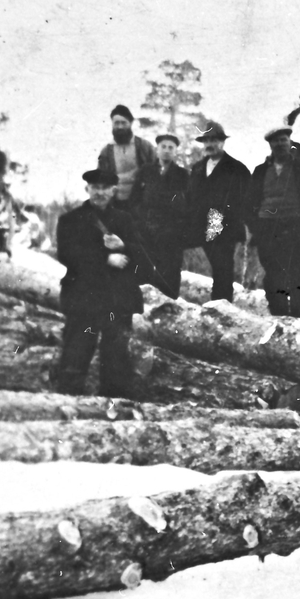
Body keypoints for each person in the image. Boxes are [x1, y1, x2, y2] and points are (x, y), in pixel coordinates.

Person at [53, 167, 155, 398]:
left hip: (117, 300)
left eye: (105, 188)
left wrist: (123, 246)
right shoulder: (70, 220)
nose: (100, 192)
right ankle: (68, 404)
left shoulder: (125, 220)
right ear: (87, 189)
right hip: (83, 297)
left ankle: (111, 408)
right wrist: (105, 259)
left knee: (116, 359)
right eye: (95, 187)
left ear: (113, 190)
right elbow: (67, 254)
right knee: (76, 355)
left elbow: (144, 256)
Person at [249, 125, 300, 317]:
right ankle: (279, 316)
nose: (280, 144)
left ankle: (299, 318)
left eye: (283, 140)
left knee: (297, 272)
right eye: (276, 141)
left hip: (295, 226)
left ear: (290, 142)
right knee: (273, 274)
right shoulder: (260, 171)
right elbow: (250, 202)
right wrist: (256, 228)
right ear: (270, 145)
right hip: (267, 228)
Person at [183, 120, 252, 301]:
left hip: (224, 228)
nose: (210, 144)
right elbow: (191, 198)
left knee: (223, 269)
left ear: (222, 142)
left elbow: (243, 201)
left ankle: (222, 307)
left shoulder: (236, 169)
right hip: (200, 227)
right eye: (206, 141)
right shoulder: (197, 168)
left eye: (214, 140)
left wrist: (222, 221)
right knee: (205, 267)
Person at [129, 133, 189, 297]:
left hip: (171, 231)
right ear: (157, 150)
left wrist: (179, 228)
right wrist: (140, 221)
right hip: (146, 228)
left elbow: (188, 204)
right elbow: (134, 200)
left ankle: (169, 304)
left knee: (170, 270)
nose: (167, 150)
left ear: (175, 151)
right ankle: (143, 304)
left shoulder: (182, 175)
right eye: (163, 147)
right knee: (143, 267)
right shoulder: (145, 171)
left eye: (171, 147)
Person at [97, 104, 156, 208]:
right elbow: (100, 179)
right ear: (112, 124)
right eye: (116, 123)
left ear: (131, 123)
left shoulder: (144, 146)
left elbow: (156, 172)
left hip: (141, 203)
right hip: (115, 204)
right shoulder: (106, 151)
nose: (120, 127)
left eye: (123, 123)